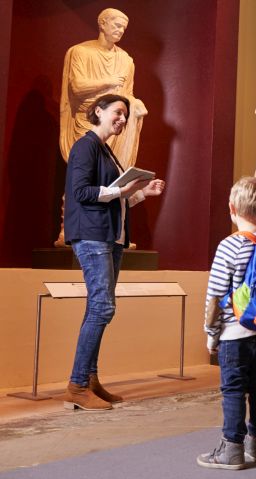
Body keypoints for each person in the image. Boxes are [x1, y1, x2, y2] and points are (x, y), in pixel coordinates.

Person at [62, 94, 165, 411]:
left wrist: (140, 193)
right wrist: (122, 190)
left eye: (126, 114)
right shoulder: (86, 145)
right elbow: (80, 192)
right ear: (98, 112)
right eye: (118, 112)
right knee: (103, 308)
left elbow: (115, 197)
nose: (123, 119)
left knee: (98, 307)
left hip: (110, 237)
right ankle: (77, 385)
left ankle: (89, 380)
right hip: (92, 236)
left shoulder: (107, 151)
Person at [198, 177, 256, 470]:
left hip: (235, 333)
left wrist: (210, 333)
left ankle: (232, 449)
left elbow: (216, 294)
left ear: (231, 209)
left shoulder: (229, 245)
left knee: (232, 389)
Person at [57, 8, 147, 246]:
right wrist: (108, 82)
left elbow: (126, 95)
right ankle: (69, 229)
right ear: (102, 24)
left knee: (114, 176)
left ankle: (115, 232)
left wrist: (134, 107)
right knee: (85, 176)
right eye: (116, 25)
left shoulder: (126, 60)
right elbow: (76, 88)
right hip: (87, 120)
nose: (120, 31)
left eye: (123, 28)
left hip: (115, 123)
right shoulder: (80, 52)